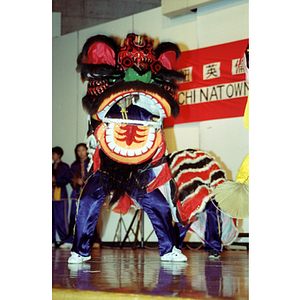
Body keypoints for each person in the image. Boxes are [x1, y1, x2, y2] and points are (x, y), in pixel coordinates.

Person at [52, 146, 73, 248]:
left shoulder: (64, 166)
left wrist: (55, 180)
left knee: (62, 218)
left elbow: (67, 179)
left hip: (60, 195)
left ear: (59, 155)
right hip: (51, 194)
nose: (52, 156)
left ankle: (67, 240)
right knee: (51, 218)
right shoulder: (51, 166)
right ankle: (52, 240)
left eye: (54, 154)